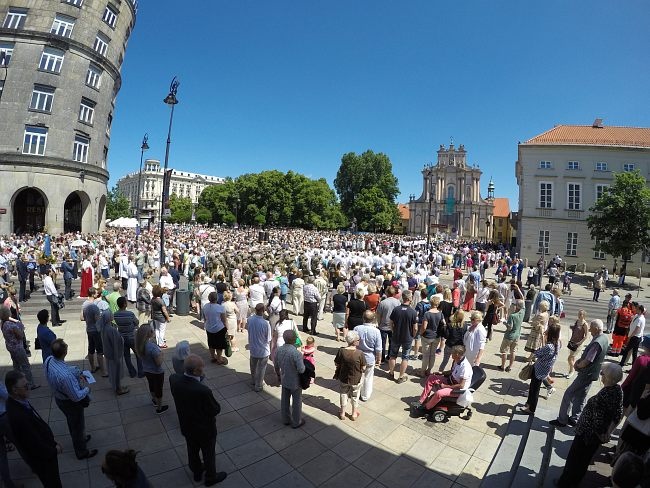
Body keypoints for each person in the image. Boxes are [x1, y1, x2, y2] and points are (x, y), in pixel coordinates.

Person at [555, 363, 624, 488]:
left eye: (602, 373)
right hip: (595, 437)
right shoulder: (618, 391)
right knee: (584, 462)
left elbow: (597, 421)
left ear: (607, 378)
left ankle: (564, 484)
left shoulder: (602, 397)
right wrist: (608, 432)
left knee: (574, 461)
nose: (601, 375)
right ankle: (574, 483)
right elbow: (618, 414)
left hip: (586, 435)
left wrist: (604, 434)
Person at [169, 354, 227, 486]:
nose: (204, 369)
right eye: (202, 367)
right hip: (204, 430)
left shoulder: (174, 379)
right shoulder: (202, 390)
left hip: (186, 426)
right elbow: (215, 409)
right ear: (196, 371)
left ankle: (196, 472)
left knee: (192, 450)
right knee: (208, 453)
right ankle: (211, 477)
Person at [5, 370, 63, 487]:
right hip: (44, 460)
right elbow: (34, 444)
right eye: (25, 386)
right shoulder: (18, 416)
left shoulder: (19, 400)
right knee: (53, 483)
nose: (29, 388)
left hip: (45, 450)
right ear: (14, 390)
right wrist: (54, 450)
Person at [551, 319, 610, 428]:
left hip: (586, 374)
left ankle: (562, 420)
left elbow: (588, 360)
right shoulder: (605, 339)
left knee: (568, 393)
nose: (590, 331)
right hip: (592, 374)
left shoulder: (597, 342)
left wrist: (578, 365)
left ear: (596, 329)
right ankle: (575, 418)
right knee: (581, 396)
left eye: (591, 328)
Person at [44, 339, 96, 460]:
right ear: (64, 353)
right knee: (77, 425)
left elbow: (61, 370)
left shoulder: (49, 360)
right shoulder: (65, 377)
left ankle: (81, 438)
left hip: (59, 398)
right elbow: (76, 396)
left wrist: (77, 372)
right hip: (69, 403)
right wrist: (87, 389)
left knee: (72, 422)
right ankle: (81, 451)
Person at [412, 345, 473, 412]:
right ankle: (422, 400)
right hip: (451, 381)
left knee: (439, 393)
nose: (451, 354)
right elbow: (452, 371)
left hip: (457, 389)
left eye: (452, 353)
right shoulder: (457, 360)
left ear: (457, 354)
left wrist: (445, 386)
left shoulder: (465, 368)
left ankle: (426, 408)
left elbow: (461, 385)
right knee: (431, 378)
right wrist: (442, 373)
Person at [520, 321, 561, 415]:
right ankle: (528, 404)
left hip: (539, 369)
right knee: (533, 388)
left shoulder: (549, 346)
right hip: (544, 369)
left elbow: (537, 353)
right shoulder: (557, 344)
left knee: (534, 390)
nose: (546, 331)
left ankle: (531, 408)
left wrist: (542, 341)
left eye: (548, 330)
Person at [274, 329, 306, 428]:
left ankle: (286, 419)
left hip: (284, 379)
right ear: (294, 340)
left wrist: (278, 375)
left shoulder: (279, 350)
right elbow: (301, 370)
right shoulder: (296, 354)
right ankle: (296, 421)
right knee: (296, 402)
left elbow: (276, 364)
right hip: (295, 381)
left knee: (284, 401)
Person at [0, 306, 38, 389]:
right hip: (18, 348)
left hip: (10, 347)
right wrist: (20, 327)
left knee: (16, 365)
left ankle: (17, 382)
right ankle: (30, 384)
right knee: (25, 365)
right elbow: (20, 336)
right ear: (7, 314)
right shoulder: (11, 325)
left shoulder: (2, 323)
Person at [135, 323, 168, 414]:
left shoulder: (139, 345)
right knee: (158, 389)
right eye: (151, 330)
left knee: (151, 385)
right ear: (148, 334)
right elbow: (158, 363)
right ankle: (159, 408)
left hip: (146, 370)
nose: (153, 331)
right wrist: (161, 354)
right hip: (156, 372)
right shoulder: (152, 347)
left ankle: (154, 400)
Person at [334, 330, 366, 421]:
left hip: (343, 377)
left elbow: (337, 363)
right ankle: (354, 414)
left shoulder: (341, 351)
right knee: (355, 396)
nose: (359, 341)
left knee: (343, 394)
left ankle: (342, 413)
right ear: (354, 341)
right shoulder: (360, 353)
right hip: (356, 378)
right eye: (358, 340)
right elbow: (363, 367)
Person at [388, 290, 417, 384]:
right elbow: (415, 328)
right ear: (409, 299)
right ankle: (400, 376)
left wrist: (393, 330)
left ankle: (391, 373)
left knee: (392, 355)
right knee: (405, 357)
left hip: (396, 336)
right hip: (407, 337)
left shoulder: (396, 309)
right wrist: (413, 335)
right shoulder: (413, 312)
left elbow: (391, 323)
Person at [98, 309, 129, 395]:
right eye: (111, 315)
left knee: (113, 371)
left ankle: (117, 386)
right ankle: (118, 389)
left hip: (109, 353)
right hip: (114, 354)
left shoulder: (104, 328)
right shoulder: (111, 330)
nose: (112, 316)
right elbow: (115, 343)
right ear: (108, 318)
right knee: (116, 372)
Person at [355, 310, 382, 402]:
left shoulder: (357, 328)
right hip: (370, 357)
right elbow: (378, 348)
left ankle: (355, 392)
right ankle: (365, 395)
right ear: (373, 319)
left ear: (363, 318)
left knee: (357, 375)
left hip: (358, 356)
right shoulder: (376, 331)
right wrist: (379, 359)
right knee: (368, 377)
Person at [114, 296, 143, 378]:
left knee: (126, 356)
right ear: (124, 304)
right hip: (131, 337)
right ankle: (140, 372)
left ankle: (132, 372)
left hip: (122, 338)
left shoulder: (115, 315)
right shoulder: (130, 314)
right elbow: (136, 322)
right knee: (138, 354)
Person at [81, 287, 107, 376]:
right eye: (96, 293)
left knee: (91, 349)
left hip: (88, 329)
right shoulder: (94, 307)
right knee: (100, 351)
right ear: (92, 295)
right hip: (96, 330)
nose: (97, 294)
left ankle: (93, 367)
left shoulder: (84, 304)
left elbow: (81, 317)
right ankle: (103, 372)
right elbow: (97, 320)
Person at [247, 303, 271, 391]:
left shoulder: (250, 319)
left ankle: (253, 380)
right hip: (263, 349)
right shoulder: (265, 323)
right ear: (263, 311)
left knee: (253, 366)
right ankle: (258, 385)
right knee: (261, 369)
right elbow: (268, 338)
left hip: (253, 347)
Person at [420, 296, 445, 377]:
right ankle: (429, 370)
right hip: (436, 336)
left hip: (427, 336)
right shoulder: (440, 314)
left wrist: (421, 333)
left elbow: (424, 327)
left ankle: (422, 372)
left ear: (430, 303)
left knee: (426, 355)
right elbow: (444, 323)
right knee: (432, 354)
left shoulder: (427, 314)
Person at [376, 286, 400, 363]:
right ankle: (389, 357)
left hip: (383, 325)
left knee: (382, 343)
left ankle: (382, 358)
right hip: (393, 326)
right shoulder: (398, 302)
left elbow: (379, 315)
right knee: (392, 343)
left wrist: (379, 323)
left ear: (387, 293)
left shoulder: (382, 303)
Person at [499, 299, 525, 372]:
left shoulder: (512, 316)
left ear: (516, 306)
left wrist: (504, 323)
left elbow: (509, 327)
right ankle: (510, 367)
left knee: (504, 351)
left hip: (509, 336)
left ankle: (502, 366)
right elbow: (523, 301)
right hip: (517, 336)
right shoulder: (522, 312)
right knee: (513, 351)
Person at [204, 291, 228, 365]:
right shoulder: (220, 308)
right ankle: (219, 359)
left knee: (211, 343)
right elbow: (224, 320)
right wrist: (227, 328)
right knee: (219, 344)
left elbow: (205, 317)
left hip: (209, 327)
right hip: (219, 328)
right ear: (216, 298)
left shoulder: (205, 306)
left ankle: (212, 357)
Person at [620, 303, 646, 367]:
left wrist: (630, 337)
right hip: (636, 337)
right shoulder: (637, 315)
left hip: (635, 337)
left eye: (637, 309)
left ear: (640, 310)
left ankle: (621, 364)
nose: (636, 310)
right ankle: (634, 367)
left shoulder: (640, 319)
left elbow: (636, 330)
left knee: (626, 351)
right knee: (634, 353)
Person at [566, 309, 589, 379]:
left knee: (569, 358)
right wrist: (572, 327)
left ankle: (572, 370)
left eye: (581, 314)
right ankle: (570, 371)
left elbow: (586, 336)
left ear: (584, 315)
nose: (579, 315)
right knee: (572, 358)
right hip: (573, 342)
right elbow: (575, 329)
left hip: (578, 344)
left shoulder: (585, 324)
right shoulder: (577, 321)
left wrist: (580, 343)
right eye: (579, 314)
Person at [151, 284, 171, 349]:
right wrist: (168, 318)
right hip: (161, 318)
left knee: (157, 329)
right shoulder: (161, 301)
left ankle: (158, 342)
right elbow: (164, 311)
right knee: (162, 330)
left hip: (155, 317)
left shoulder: (152, 299)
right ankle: (161, 343)